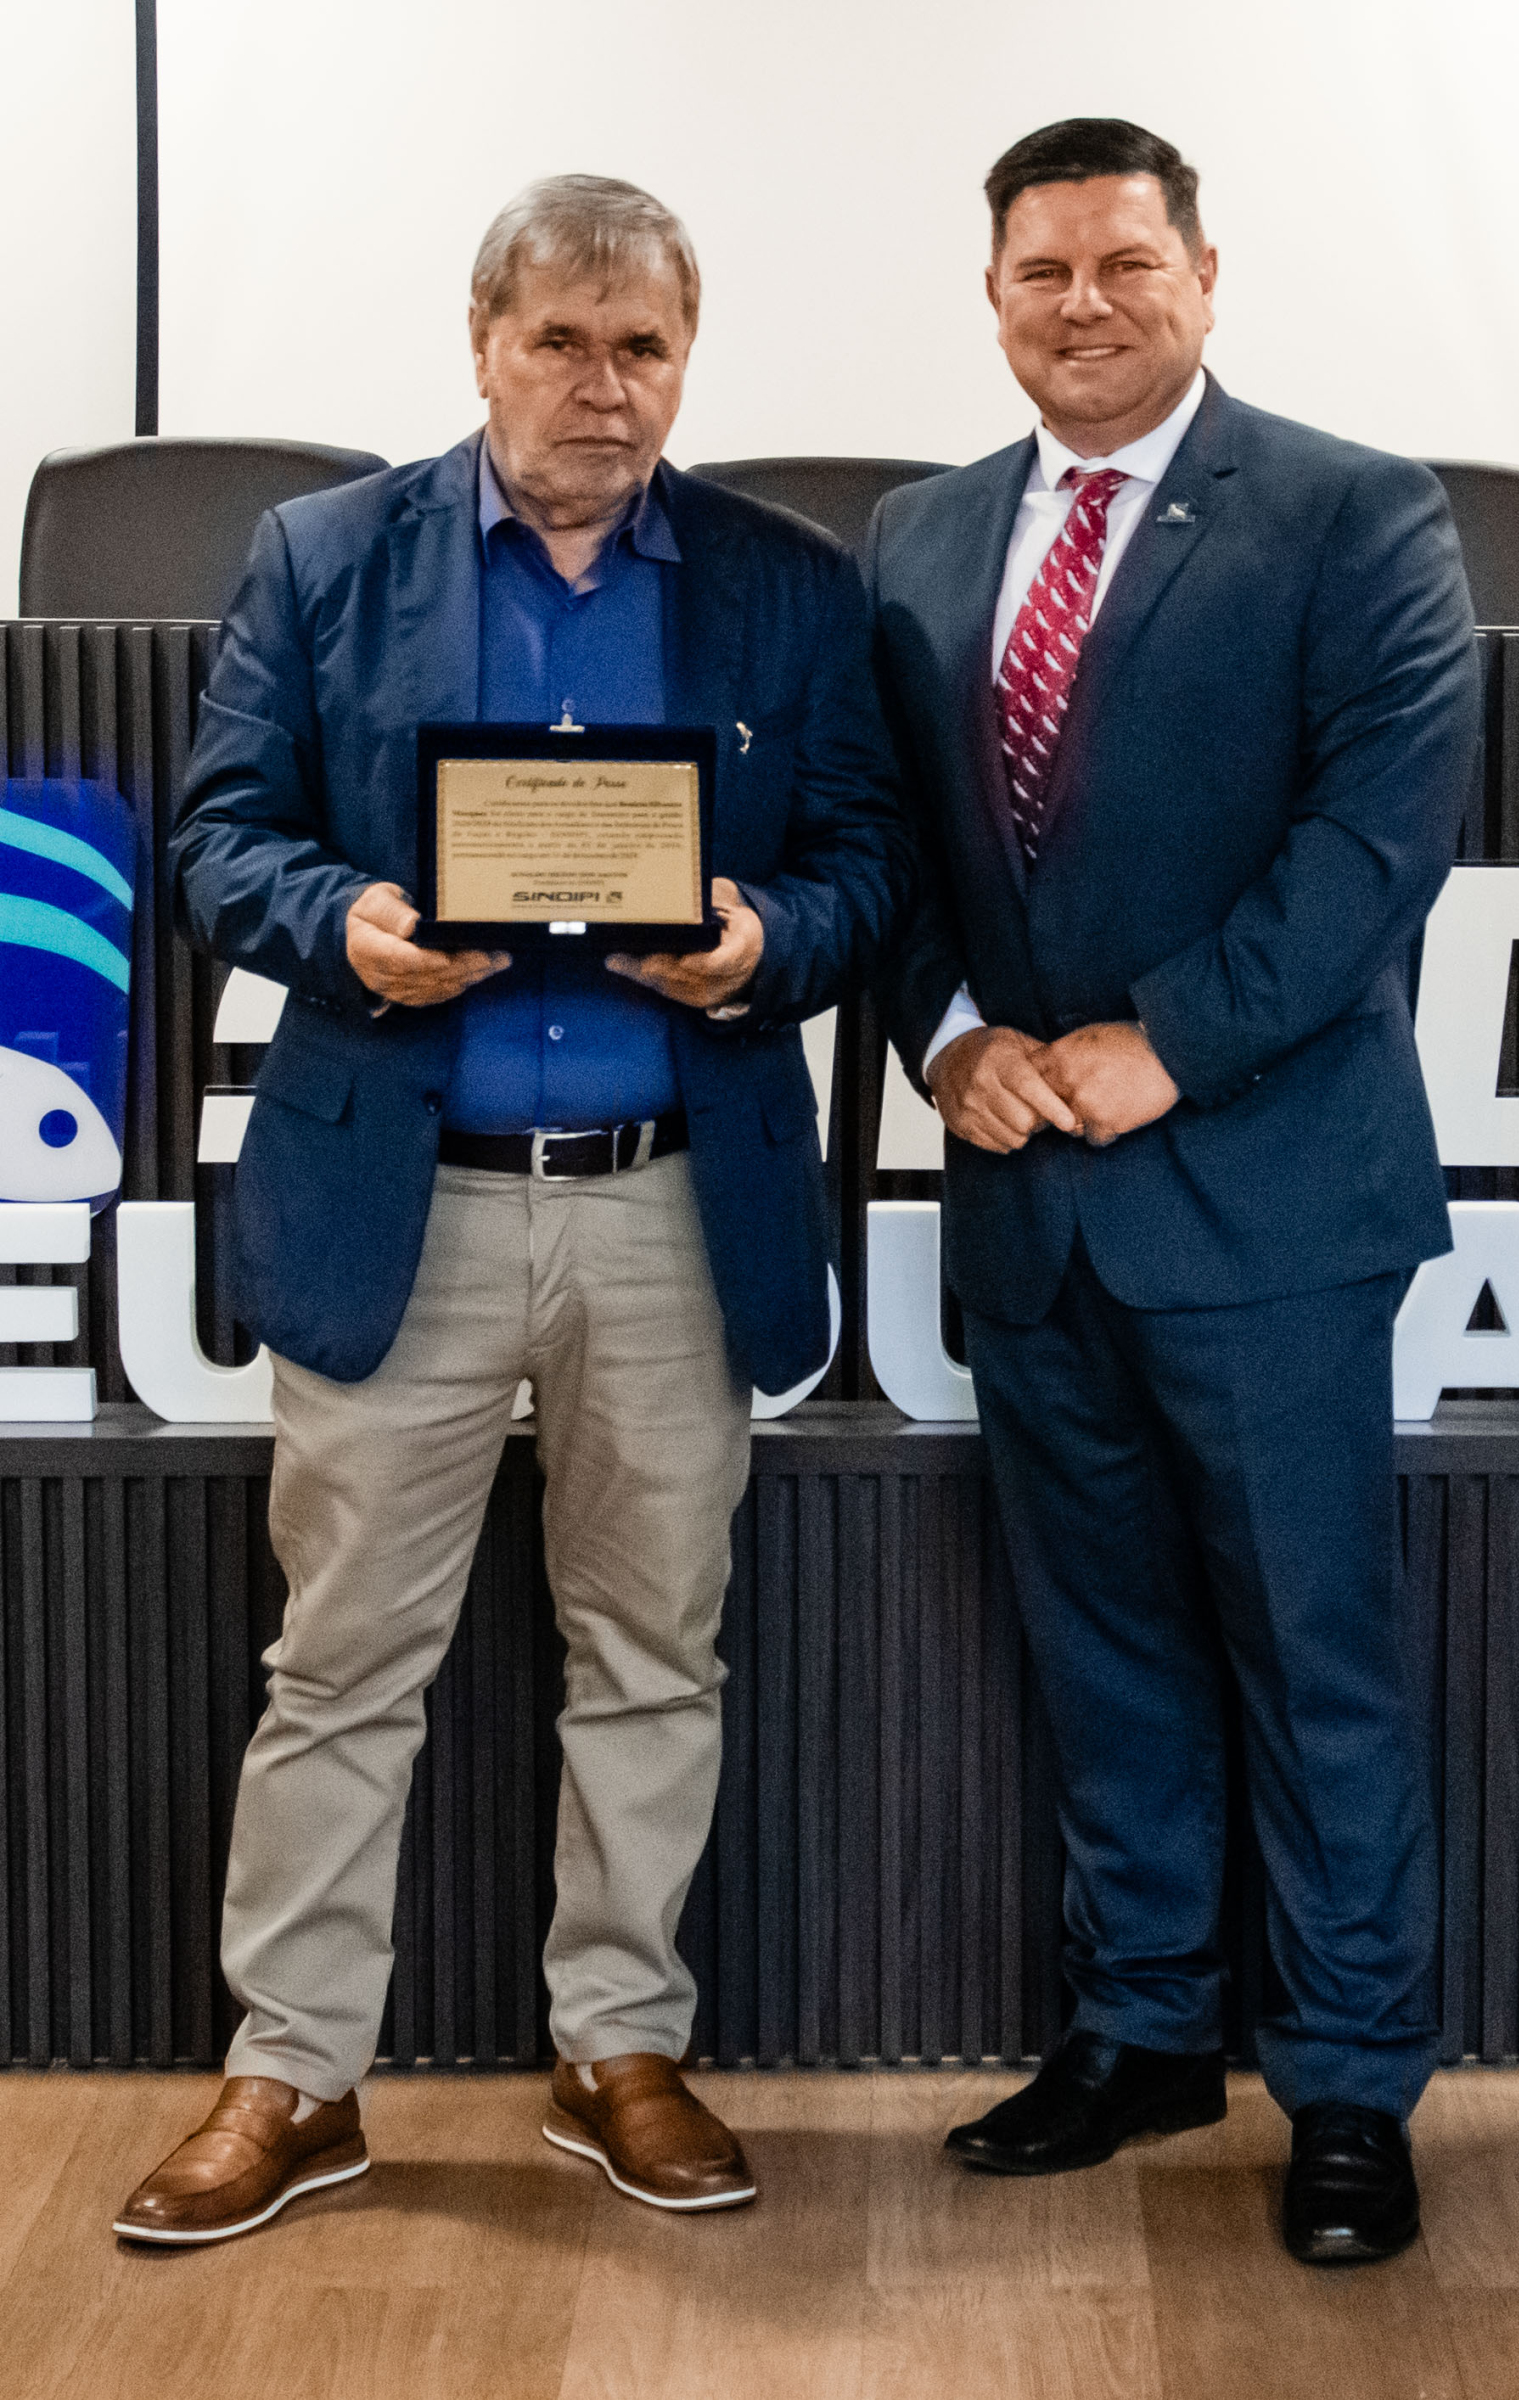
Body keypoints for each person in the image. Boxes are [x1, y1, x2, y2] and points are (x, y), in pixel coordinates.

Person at [115, 174, 910, 2243]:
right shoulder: (322, 556)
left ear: (686, 361)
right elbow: (220, 836)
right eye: (560, 339)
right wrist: (341, 925)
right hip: (410, 1202)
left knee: (652, 1648)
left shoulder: (785, 583)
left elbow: (863, 865)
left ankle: (616, 2047)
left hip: (669, 1206)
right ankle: (293, 2075)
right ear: (481, 341)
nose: (601, 384)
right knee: (339, 1661)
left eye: (643, 346)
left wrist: (768, 943)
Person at [868, 118, 1478, 2265]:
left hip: (1264, 1205)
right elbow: (891, 847)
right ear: (992, 299)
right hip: (1030, 1204)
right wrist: (946, 1035)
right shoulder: (918, 537)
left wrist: (1167, 1042)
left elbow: (1374, 844)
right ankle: (1140, 2030)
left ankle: (1348, 2083)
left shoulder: (1353, 512)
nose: (1085, 304)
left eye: (1126, 263)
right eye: (1042, 271)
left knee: (1314, 1664)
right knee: (1107, 1651)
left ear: (1204, 278)